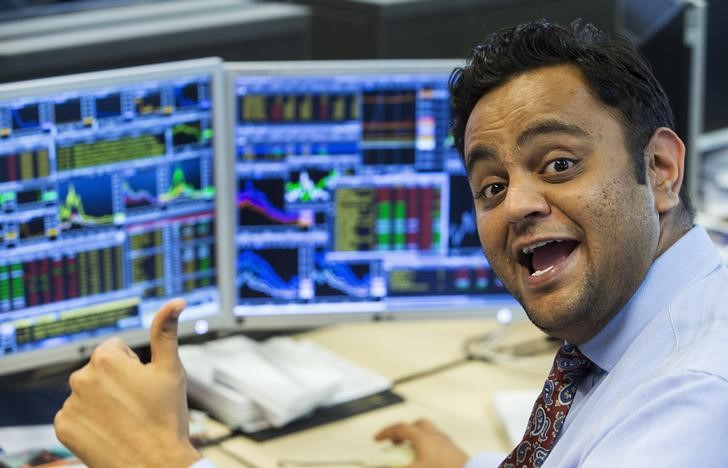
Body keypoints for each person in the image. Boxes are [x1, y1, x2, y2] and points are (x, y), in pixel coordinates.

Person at [54, 19, 728, 468]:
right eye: (491, 185)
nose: (517, 204)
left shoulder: (695, 400)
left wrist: (158, 458)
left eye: (558, 164)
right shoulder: (642, 337)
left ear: (661, 170)